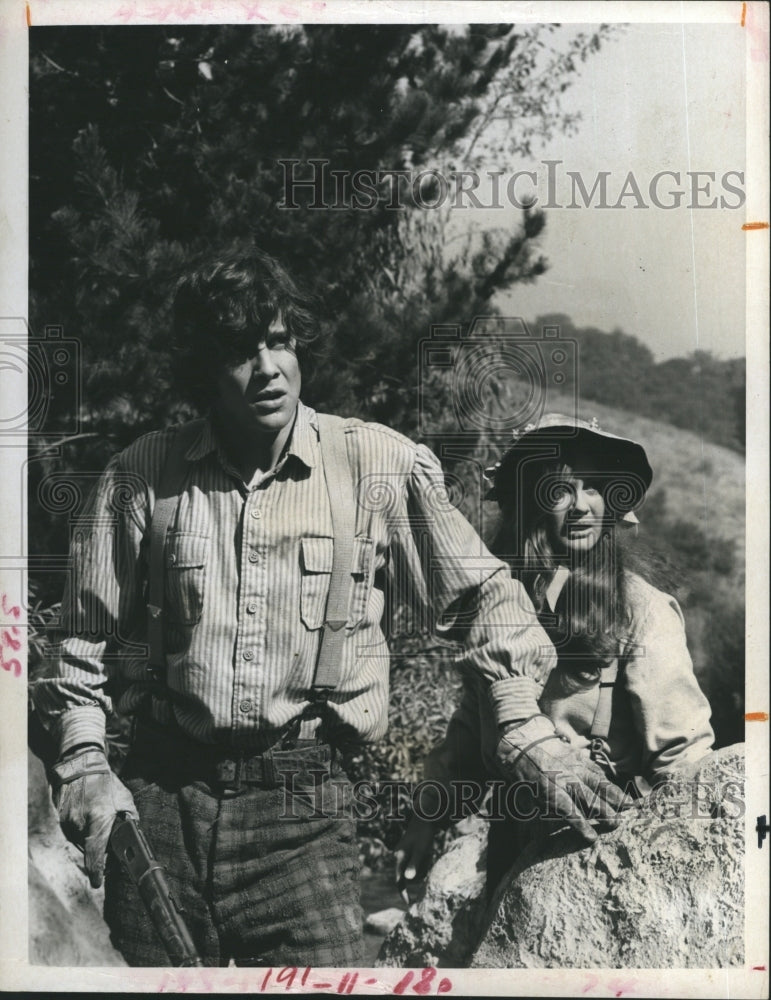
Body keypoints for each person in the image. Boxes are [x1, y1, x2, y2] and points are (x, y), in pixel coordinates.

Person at [30, 247, 609, 968]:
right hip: (161, 804)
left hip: (304, 810)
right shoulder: (143, 475)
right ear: (203, 370)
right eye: (241, 352)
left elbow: (486, 596)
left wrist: (522, 729)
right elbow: (78, 642)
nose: (267, 368)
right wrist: (85, 762)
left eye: (278, 341)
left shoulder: (375, 464)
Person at [396, 413, 715, 896]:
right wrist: (426, 817)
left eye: (595, 488)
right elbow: (473, 731)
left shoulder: (643, 609)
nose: (582, 506)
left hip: (608, 859)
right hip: (513, 855)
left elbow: (683, 760)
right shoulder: (501, 603)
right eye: (563, 489)